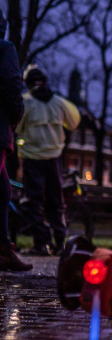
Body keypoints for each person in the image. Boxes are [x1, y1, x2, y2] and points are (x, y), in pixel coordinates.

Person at [16, 65, 80, 256]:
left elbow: (17, 126)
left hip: (31, 158)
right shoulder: (60, 102)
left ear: (27, 83)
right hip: (54, 158)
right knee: (56, 201)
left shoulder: (25, 102)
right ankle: (60, 242)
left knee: (32, 202)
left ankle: (40, 242)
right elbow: (74, 121)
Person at [0, 10, 32, 270]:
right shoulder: (4, 48)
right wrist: (14, 117)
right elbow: (11, 85)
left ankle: (3, 248)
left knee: (2, 189)